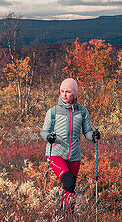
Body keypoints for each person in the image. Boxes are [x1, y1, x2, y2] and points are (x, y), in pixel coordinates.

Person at [42, 77, 100, 211]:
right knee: (68, 182)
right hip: (55, 154)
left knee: (70, 189)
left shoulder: (83, 112)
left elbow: (87, 132)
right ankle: (62, 216)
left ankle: (67, 219)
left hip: (74, 155)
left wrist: (94, 136)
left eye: (67, 92)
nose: (64, 94)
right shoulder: (53, 112)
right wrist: (48, 137)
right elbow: (43, 132)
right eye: (62, 91)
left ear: (75, 93)